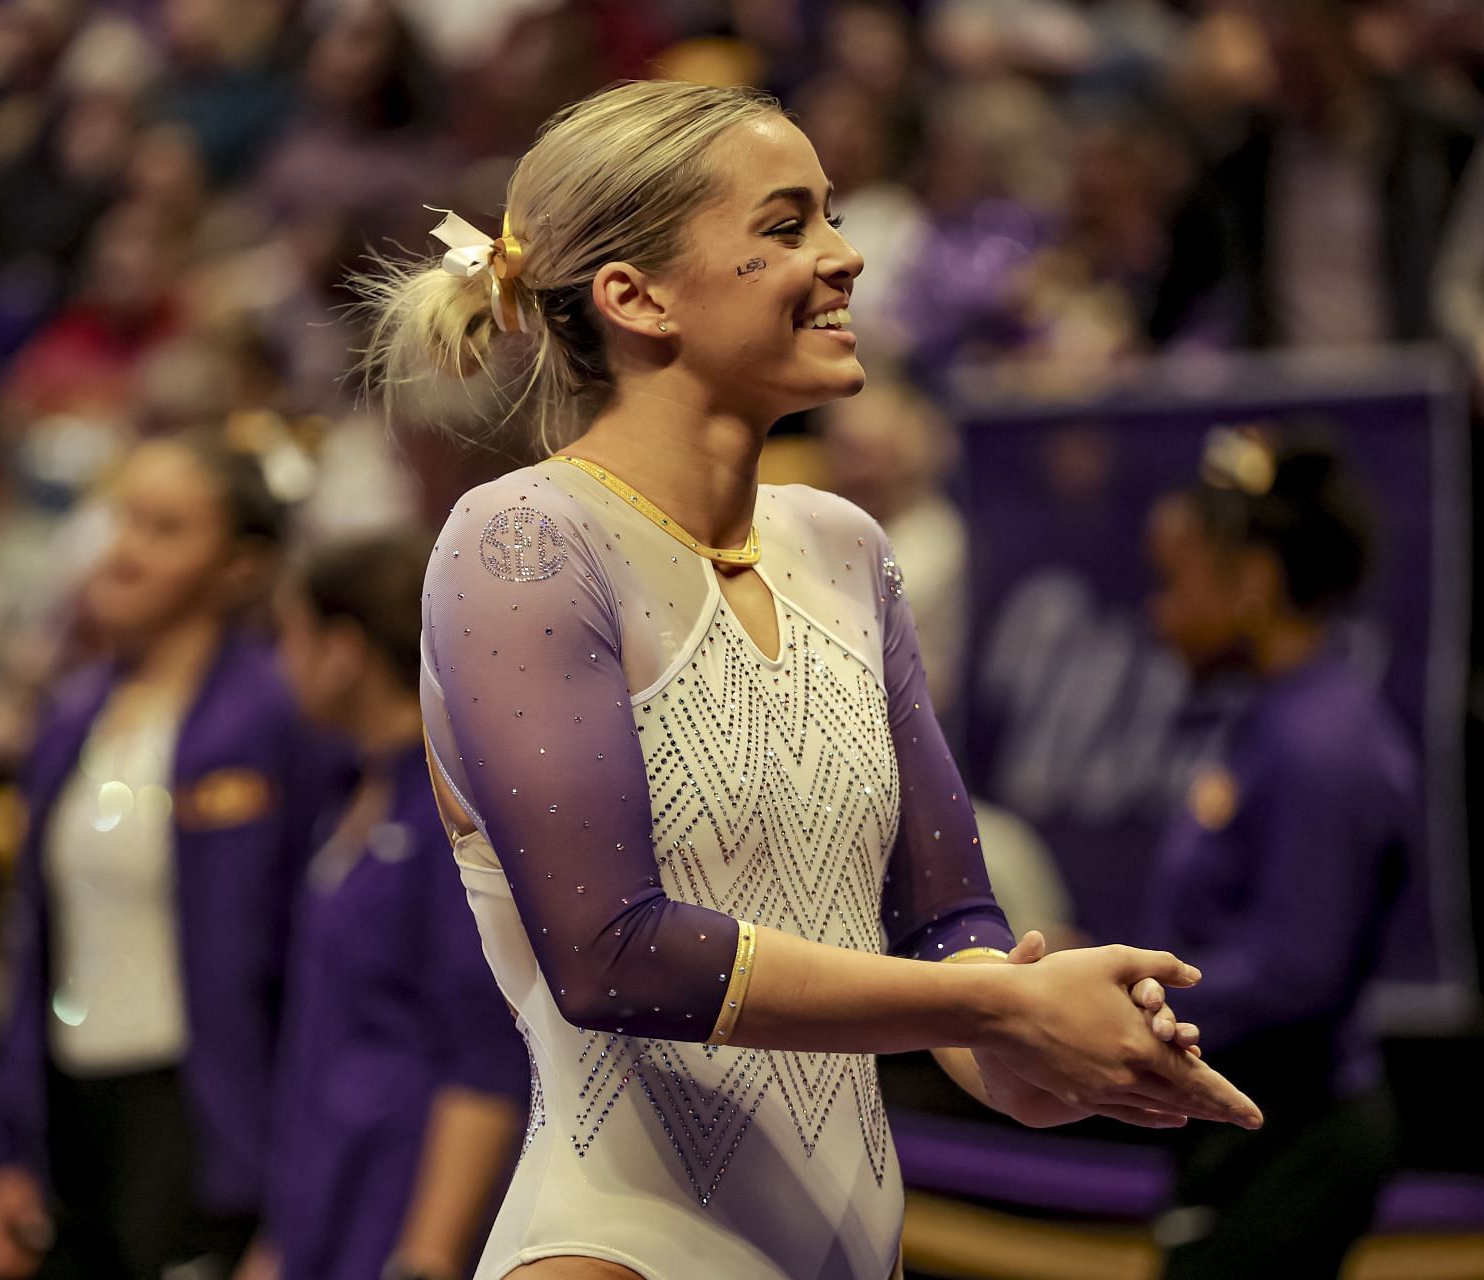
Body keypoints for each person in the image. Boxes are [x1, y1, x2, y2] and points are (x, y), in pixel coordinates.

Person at [361, 79, 1261, 1280]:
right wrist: (992, 1012)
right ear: (637, 296)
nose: (845, 257)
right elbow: (611, 953)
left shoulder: (845, 545)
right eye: (787, 227)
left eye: (831, 216)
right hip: (620, 1247)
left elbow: (948, 924)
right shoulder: (519, 543)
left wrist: (1022, 1053)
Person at [0, 429, 322, 1280]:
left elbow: (307, 972)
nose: (124, 552)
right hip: (75, 1122)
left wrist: (294, 1203)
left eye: (165, 530)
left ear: (239, 566)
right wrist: (7, 1152)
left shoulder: (276, 718)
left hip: (203, 1128)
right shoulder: (70, 719)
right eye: (125, 520)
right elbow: (34, 952)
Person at [1141, 429, 1410, 1277]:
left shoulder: (1319, 742)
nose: (1160, 610)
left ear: (1252, 582)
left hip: (1299, 1133)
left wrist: (1136, 1002)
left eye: (1176, 580)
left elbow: (1297, 967)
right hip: (1247, 1127)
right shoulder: (1268, 718)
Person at [262, 531, 527, 1280]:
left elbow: (482, 1052)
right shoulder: (349, 796)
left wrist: (428, 1254)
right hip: (327, 1193)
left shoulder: (450, 815)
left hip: (403, 1200)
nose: (280, 664)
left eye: (290, 636)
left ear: (342, 651)